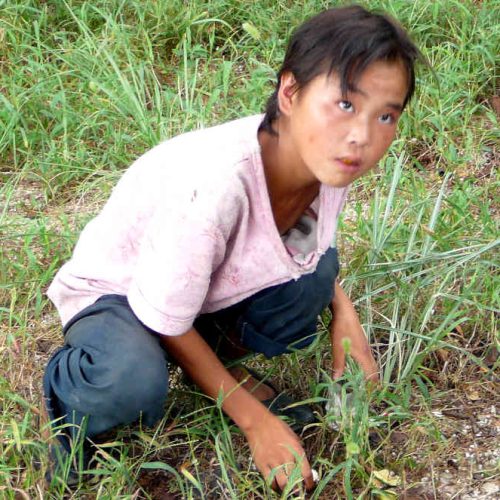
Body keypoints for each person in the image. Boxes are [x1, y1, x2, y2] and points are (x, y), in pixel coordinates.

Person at [42, 4, 422, 492]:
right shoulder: (216, 184)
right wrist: (256, 422)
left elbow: (317, 253)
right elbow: (163, 312)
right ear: (290, 92)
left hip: (193, 290)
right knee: (129, 381)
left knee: (315, 278)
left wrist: (346, 322)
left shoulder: (327, 159)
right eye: (346, 104)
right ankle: (68, 395)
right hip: (119, 293)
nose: (362, 137)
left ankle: (210, 372)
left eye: (386, 116)